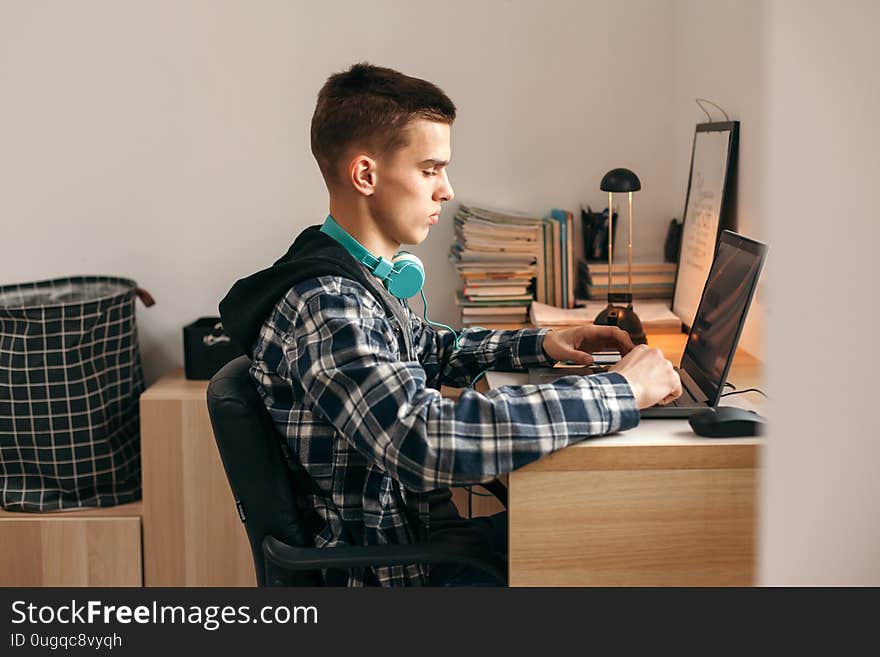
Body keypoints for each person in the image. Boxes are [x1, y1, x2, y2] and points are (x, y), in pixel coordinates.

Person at [219, 62, 681, 587]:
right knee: (633, 549)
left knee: (614, 531)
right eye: (430, 169)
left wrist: (546, 343)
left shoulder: (350, 279)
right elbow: (423, 438)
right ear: (366, 175)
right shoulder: (329, 305)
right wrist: (620, 389)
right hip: (395, 573)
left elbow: (427, 344)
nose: (447, 190)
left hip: (416, 543)